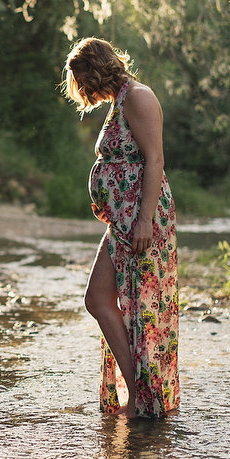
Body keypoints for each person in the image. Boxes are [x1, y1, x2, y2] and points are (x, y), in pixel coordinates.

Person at [62, 37, 179, 419]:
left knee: (115, 302)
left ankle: (141, 399)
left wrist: (144, 219)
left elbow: (156, 159)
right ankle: (140, 395)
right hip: (123, 220)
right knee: (101, 301)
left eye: (80, 80)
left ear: (94, 69)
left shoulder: (139, 97)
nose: (81, 91)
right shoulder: (119, 101)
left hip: (140, 219)